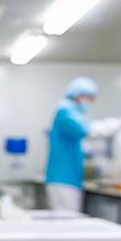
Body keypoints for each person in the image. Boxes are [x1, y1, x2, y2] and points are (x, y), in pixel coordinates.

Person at [45, 77, 98, 212]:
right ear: (78, 94)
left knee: (65, 217)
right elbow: (83, 130)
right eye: (89, 98)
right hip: (63, 178)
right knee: (67, 218)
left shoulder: (68, 110)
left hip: (65, 177)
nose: (90, 102)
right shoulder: (65, 110)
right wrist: (110, 126)